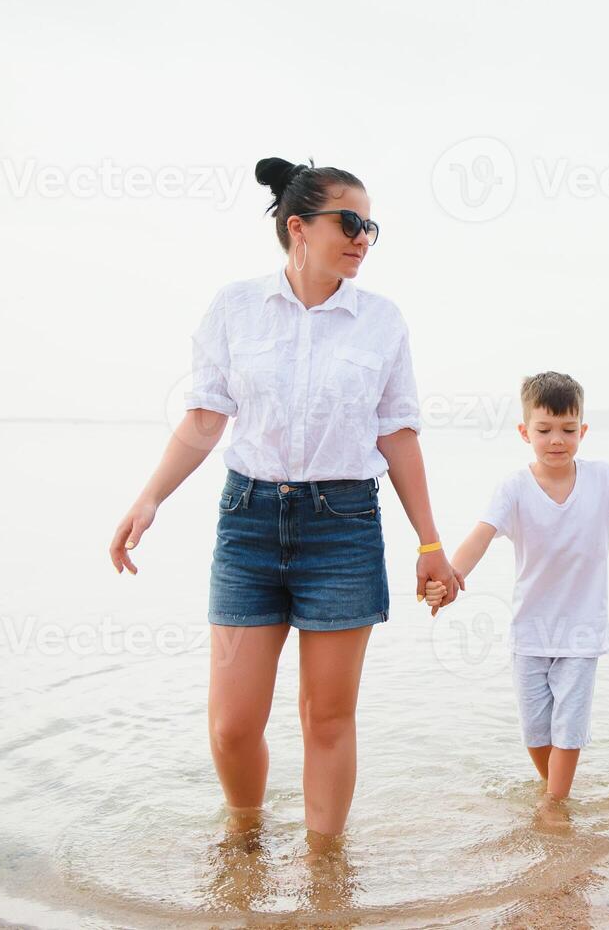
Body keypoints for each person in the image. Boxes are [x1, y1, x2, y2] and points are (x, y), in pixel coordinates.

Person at [108, 156, 463, 844]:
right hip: (249, 525)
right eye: (351, 222)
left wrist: (430, 543)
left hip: (345, 527)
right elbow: (206, 419)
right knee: (232, 723)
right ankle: (243, 842)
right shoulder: (235, 308)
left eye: (372, 227)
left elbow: (397, 435)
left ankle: (326, 869)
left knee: (326, 719)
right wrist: (149, 498)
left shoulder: (382, 321)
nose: (364, 237)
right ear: (298, 227)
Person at [426, 371, 609, 804]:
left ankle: (555, 806)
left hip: (581, 633)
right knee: (535, 731)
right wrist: (450, 577)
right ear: (524, 431)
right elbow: (480, 536)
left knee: (568, 730)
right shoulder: (513, 488)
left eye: (568, 430)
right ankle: (557, 794)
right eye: (544, 430)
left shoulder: (602, 478)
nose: (556, 440)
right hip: (530, 633)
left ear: (582, 431)